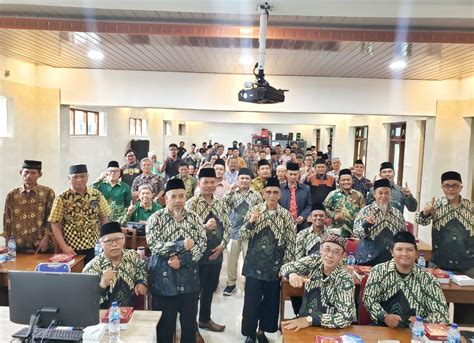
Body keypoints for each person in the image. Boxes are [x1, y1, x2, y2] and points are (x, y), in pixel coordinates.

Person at [146, 179, 207, 343]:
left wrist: (183, 260)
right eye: (174, 196)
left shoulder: (194, 218)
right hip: (164, 285)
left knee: (188, 329)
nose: (178, 200)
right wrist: (180, 245)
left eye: (181, 196)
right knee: (165, 330)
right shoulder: (155, 219)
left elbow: (202, 245)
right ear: (166, 198)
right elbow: (155, 246)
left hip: (189, 284)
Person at [240, 177, 296, 343]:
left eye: (275, 192)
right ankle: (250, 333)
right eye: (268, 192)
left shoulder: (285, 215)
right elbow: (241, 235)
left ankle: (261, 331)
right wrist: (251, 221)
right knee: (251, 301)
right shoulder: (254, 210)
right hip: (254, 266)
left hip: (274, 267)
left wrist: (285, 268)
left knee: (270, 303)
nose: (272, 195)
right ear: (263, 193)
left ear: (280, 195)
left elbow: (291, 244)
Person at [416, 171, 474, 324]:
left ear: (461, 187)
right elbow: (420, 221)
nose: (451, 189)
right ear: (442, 187)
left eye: (454, 186)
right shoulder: (436, 205)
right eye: (447, 186)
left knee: (467, 313)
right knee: (437, 310)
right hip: (440, 264)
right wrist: (426, 212)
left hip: (468, 266)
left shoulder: (471, 207)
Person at [363, 231, 449, 328]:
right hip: (383, 328)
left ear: (416, 253)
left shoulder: (428, 279)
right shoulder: (378, 271)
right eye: (399, 249)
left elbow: (442, 314)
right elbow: (369, 300)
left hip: (416, 332)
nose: (404, 254)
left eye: (409, 250)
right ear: (392, 252)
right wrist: (385, 317)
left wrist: (423, 321)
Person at [186, 168, 230, 334]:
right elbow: (186, 231)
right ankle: (192, 327)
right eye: (206, 182)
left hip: (216, 254)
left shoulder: (220, 202)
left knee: (209, 290)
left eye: (213, 182)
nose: (209, 186)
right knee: (194, 292)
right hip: (197, 255)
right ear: (199, 183)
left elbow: (228, 225)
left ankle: (204, 319)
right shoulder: (191, 204)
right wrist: (203, 228)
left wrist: (222, 245)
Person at [280, 234, 355, 330]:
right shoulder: (314, 261)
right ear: (320, 249)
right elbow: (286, 266)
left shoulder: (345, 279)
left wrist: (310, 320)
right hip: (303, 321)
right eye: (327, 249)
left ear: (343, 256)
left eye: (336, 252)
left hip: (329, 328)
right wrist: (292, 274)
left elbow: (346, 317)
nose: (330, 255)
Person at [49, 164, 109, 263]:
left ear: (87, 177)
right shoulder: (62, 198)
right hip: (72, 248)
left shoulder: (96, 195)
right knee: (76, 276)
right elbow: (54, 224)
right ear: (69, 178)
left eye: (82, 176)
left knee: (94, 275)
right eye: (75, 177)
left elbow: (104, 218)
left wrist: (103, 240)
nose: (79, 180)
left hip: (96, 247)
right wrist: (64, 247)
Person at [83, 222, 147, 308]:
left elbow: (141, 270)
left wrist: (141, 282)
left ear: (123, 239)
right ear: (101, 244)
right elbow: (87, 302)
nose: (114, 244)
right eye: (108, 241)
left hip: (130, 313)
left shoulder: (133, 256)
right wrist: (102, 286)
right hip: (103, 317)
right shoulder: (92, 268)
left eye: (118, 239)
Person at [222, 168, 263, 296]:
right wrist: (229, 192)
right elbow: (223, 205)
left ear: (251, 180)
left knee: (248, 259)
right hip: (234, 231)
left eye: (247, 178)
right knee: (232, 260)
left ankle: (248, 283)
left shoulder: (256, 194)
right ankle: (231, 284)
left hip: (250, 232)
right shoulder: (232, 192)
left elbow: (261, 210)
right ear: (238, 179)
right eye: (242, 178)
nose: (244, 181)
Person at [2, 160, 55, 253]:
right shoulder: (12, 195)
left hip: (41, 245)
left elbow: (51, 217)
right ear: (20, 173)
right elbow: (7, 220)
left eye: (33, 173)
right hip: (19, 245)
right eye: (26, 172)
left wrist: (46, 238)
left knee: (41, 267)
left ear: (40, 174)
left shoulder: (48, 193)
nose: (29, 175)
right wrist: (8, 245)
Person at [353, 178, 406, 266]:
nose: (383, 196)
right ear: (374, 194)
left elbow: (403, 237)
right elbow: (357, 233)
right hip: (367, 260)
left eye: (386, 193)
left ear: (391, 195)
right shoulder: (365, 211)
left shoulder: (397, 214)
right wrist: (367, 225)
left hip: (391, 261)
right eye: (380, 193)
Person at [323, 168, 366, 237]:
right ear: (339, 181)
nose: (346, 182)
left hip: (353, 232)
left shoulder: (359, 195)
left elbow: (364, 212)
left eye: (348, 180)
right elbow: (323, 208)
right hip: (336, 232)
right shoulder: (333, 194)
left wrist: (359, 230)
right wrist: (333, 215)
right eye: (343, 180)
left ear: (352, 181)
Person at [279, 162, 312, 232]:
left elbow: (309, 205)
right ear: (286, 174)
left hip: (301, 224)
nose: (293, 176)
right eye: (291, 174)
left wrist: (303, 216)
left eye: (295, 174)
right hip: (283, 223)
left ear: (298, 175)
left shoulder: (306, 188)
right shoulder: (279, 188)